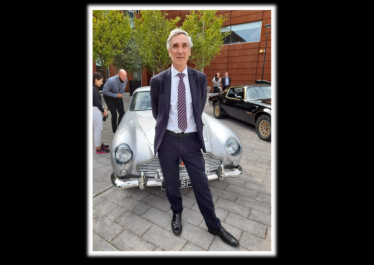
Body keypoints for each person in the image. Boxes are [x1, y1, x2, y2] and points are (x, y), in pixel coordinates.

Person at [150, 28, 239, 247]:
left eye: (184, 45)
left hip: (191, 141)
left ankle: (214, 225)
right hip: (167, 141)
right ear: (169, 51)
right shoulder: (157, 80)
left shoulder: (200, 78)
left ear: (189, 51)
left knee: (201, 185)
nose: (180, 50)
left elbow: (198, 108)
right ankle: (177, 213)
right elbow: (157, 112)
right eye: (175, 46)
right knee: (171, 184)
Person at [102, 69, 128, 133]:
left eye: (125, 75)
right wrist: (116, 96)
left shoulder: (125, 80)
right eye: (122, 75)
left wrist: (118, 96)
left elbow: (122, 90)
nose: (124, 77)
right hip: (108, 97)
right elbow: (104, 92)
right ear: (118, 75)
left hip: (117, 96)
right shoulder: (111, 81)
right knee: (114, 114)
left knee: (122, 113)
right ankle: (115, 131)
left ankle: (119, 128)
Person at [93, 72, 110, 154]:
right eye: (101, 81)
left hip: (96, 110)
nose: (102, 83)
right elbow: (96, 102)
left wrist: (103, 109)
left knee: (99, 129)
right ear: (96, 80)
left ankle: (99, 144)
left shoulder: (93, 88)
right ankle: (98, 149)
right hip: (95, 110)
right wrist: (103, 111)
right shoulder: (92, 89)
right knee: (98, 130)